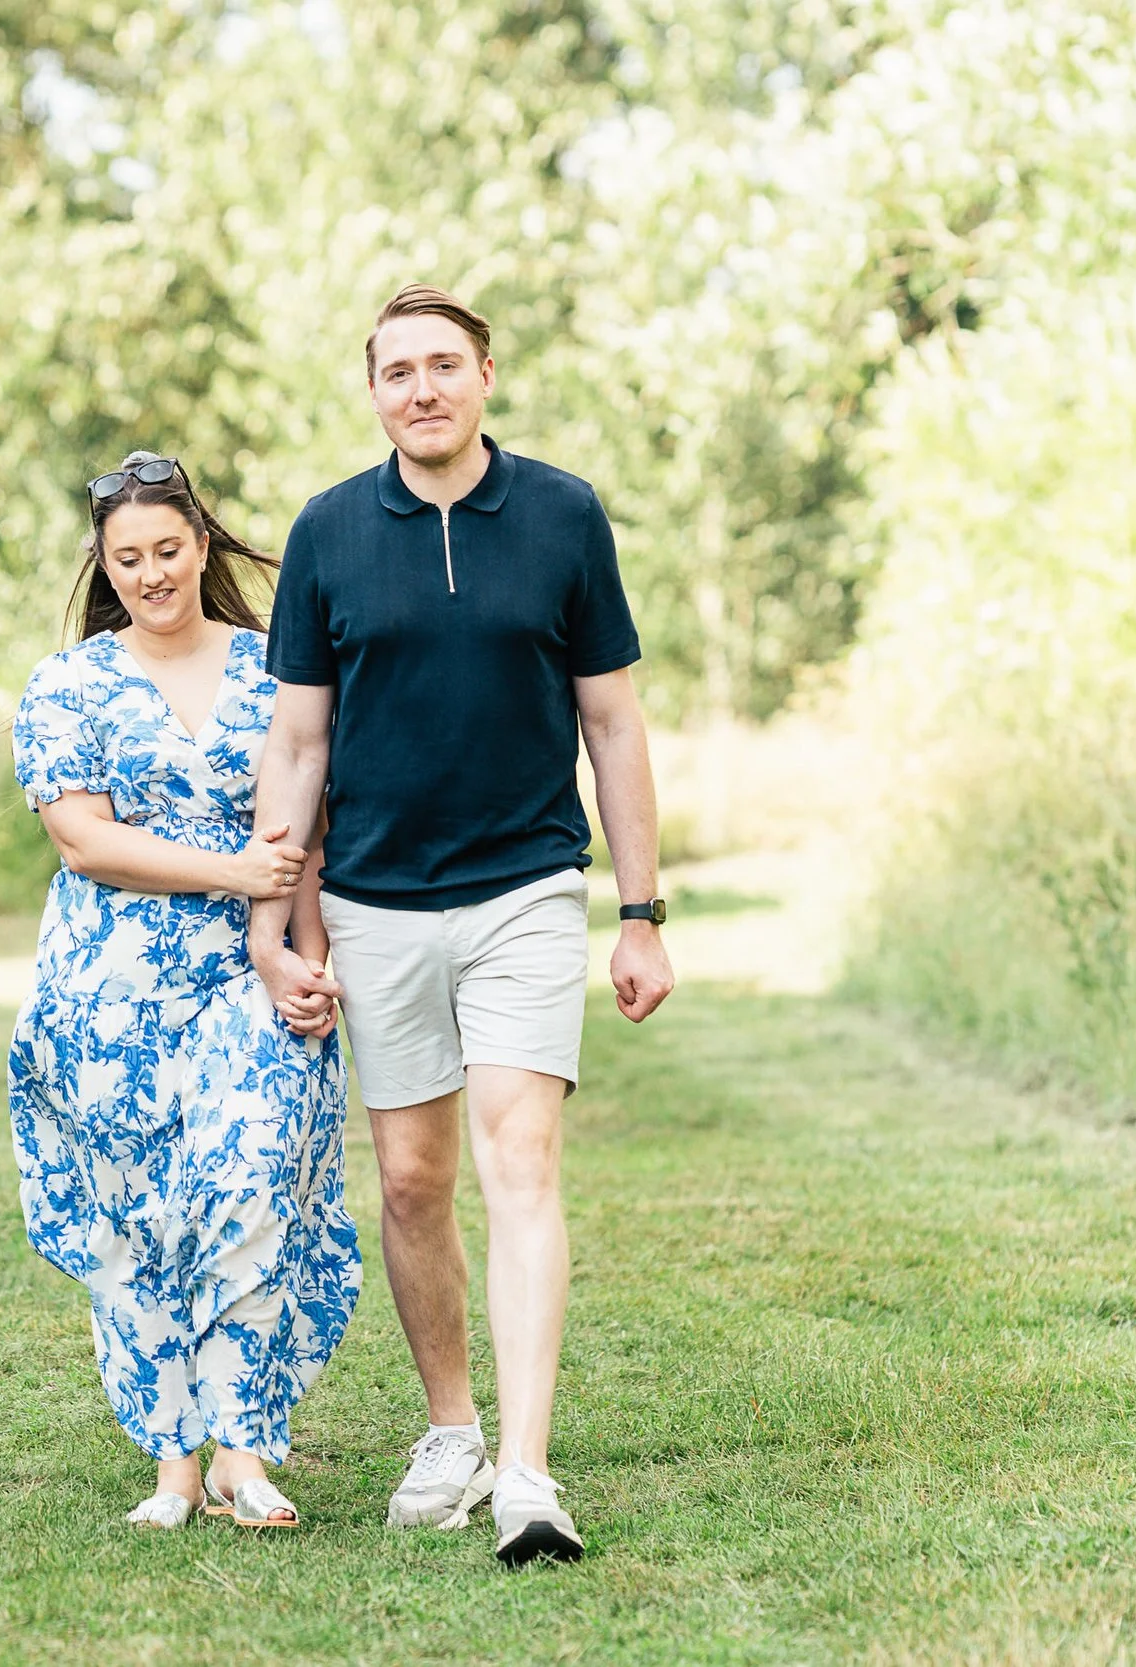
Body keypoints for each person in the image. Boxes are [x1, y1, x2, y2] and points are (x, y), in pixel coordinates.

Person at [249, 286, 675, 1565]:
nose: (421, 388)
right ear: (373, 393)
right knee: (412, 1178)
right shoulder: (326, 531)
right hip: (375, 899)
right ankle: (452, 1428)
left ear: (486, 375)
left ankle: (529, 1477)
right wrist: (279, 924)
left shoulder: (562, 514)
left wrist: (641, 911)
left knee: (519, 1160)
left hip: (526, 889)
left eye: (444, 364)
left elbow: (612, 722)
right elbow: (297, 741)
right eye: (397, 371)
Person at [8, 451, 363, 1531]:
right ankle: (171, 1459)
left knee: (251, 1179)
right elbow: (82, 838)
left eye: (168, 549)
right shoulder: (66, 683)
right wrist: (229, 870)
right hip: (106, 993)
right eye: (127, 558)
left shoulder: (275, 670)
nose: (151, 573)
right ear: (102, 566)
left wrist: (310, 953)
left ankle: (244, 1451)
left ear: (202, 546)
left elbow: (311, 828)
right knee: (141, 1218)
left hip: (248, 968)